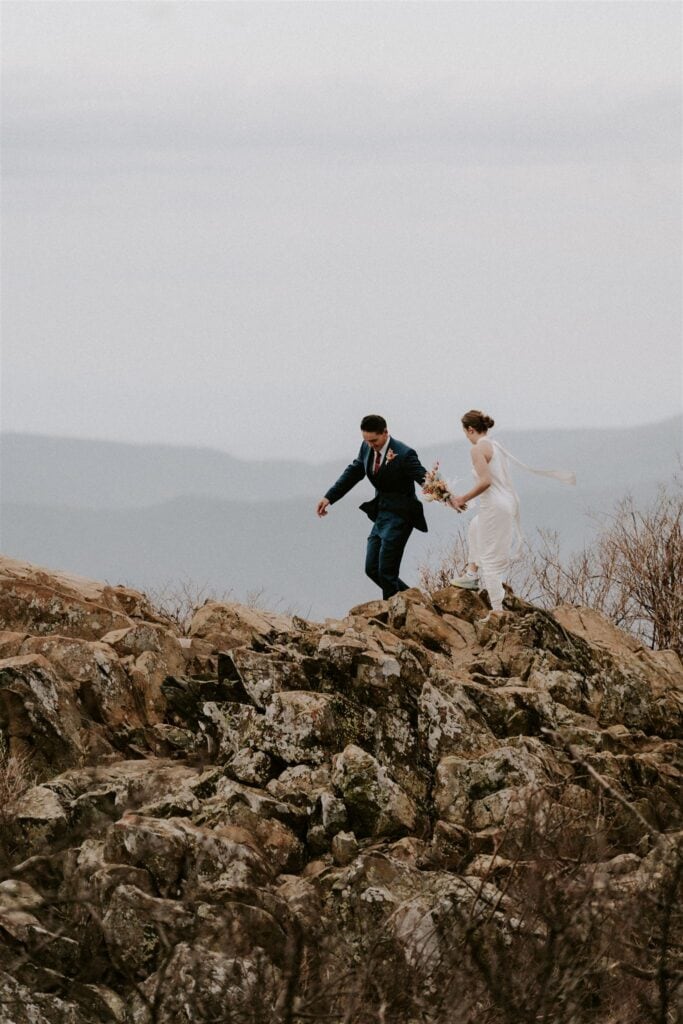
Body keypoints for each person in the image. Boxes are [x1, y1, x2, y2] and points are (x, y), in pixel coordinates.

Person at [448, 410, 575, 613]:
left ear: (470, 429)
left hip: (494, 505)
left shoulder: (477, 449)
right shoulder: (494, 445)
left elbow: (486, 481)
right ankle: (471, 574)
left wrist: (462, 498)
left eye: (465, 431)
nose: (465, 435)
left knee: (489, 558)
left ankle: (498, 611)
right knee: (475, 526)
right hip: (504, 502)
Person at [317, 415, 428, 600]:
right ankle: (414, 600)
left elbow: (426, 480)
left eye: (374, 441)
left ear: (385, 432)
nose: (371, 445)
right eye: (367, 441)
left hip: (401, 515)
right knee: (372, 569)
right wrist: (329, 497)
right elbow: (354, 472)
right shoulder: (366, 447)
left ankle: (395, 617)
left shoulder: (405, 453)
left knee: (386, 571)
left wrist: (450, 498)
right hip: (381, 513)